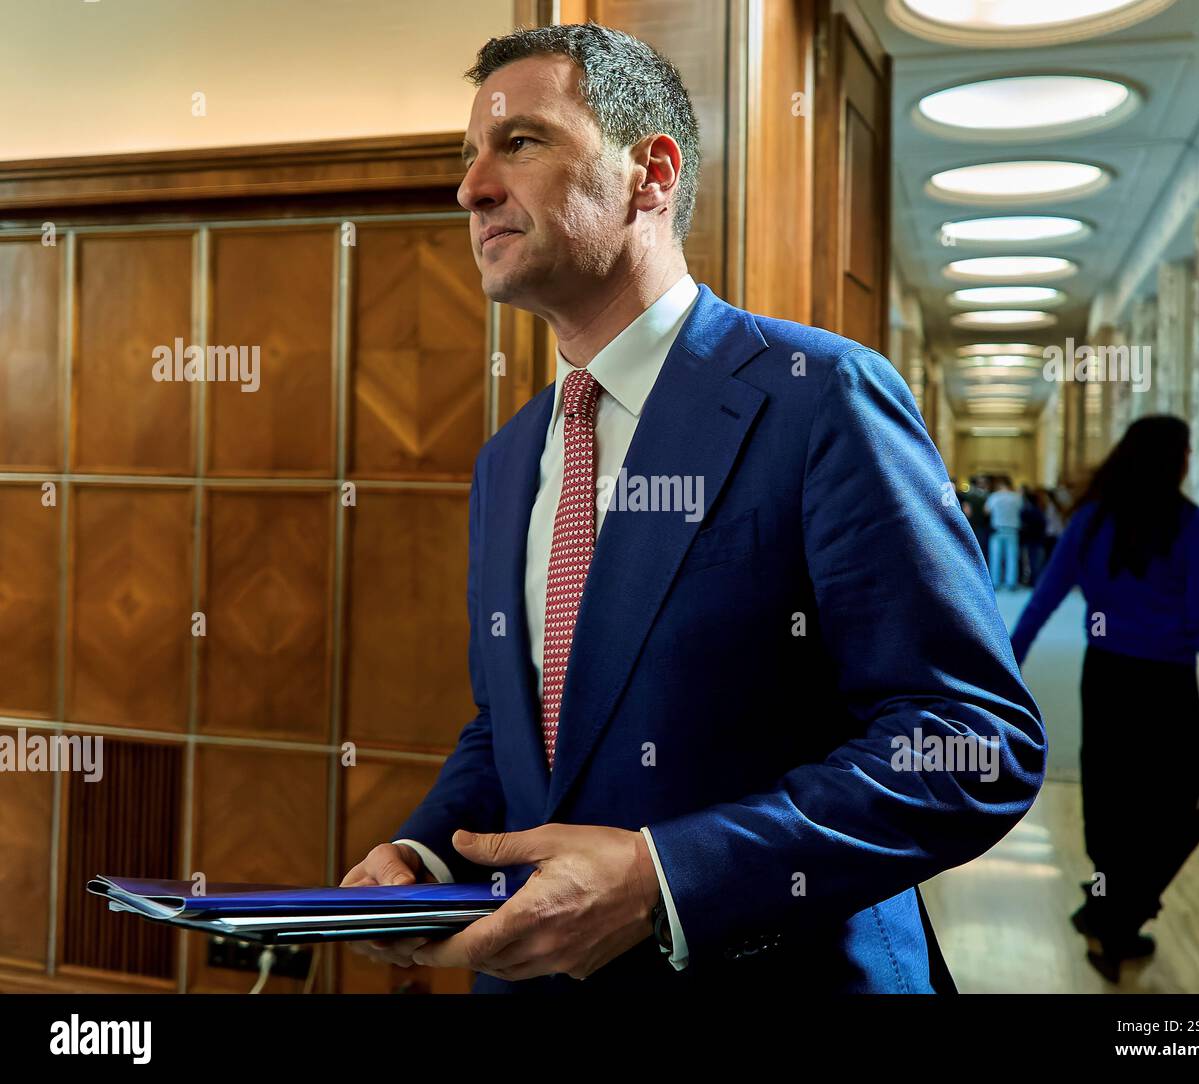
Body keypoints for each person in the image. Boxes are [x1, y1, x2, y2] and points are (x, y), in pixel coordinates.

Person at [342, 22, 1046, 994]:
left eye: (521, 142)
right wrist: (425, 856)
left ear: (651, 174)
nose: (471, 188)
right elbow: (518, 728)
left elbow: (971, 743)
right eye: (468, 159)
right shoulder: (509, 460)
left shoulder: (820, 397)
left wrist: (665, 879)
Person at [1009, 416, 1199, 982]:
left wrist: (1009, 662)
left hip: (1107, 677)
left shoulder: (1092, 521)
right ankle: (1116, 921)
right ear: (1173, 460)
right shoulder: (1191, 526)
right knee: (1189, 809)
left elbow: (1043, 598)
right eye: (1187, 452)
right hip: (1164, 685)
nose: (1190, 461)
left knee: (1114, 797)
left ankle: (1108, 909)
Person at [984, 476, 1023, 591]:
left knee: (995, 557)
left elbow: (986, 511)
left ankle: (995, 582)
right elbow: (1021, 510)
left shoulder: (994, 496)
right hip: (1012, 530)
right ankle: (1011, 582)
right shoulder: (1016, 497)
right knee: (1012, 558)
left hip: (997, 529)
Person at [1019, 485, 1047, 587]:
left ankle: (1033, 581)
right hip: (1038, 539)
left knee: (1032, 562)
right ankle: (1035, 581)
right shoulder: (1039, 512)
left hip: (1030, 540)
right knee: (1036, 562)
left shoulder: (1026, 512)